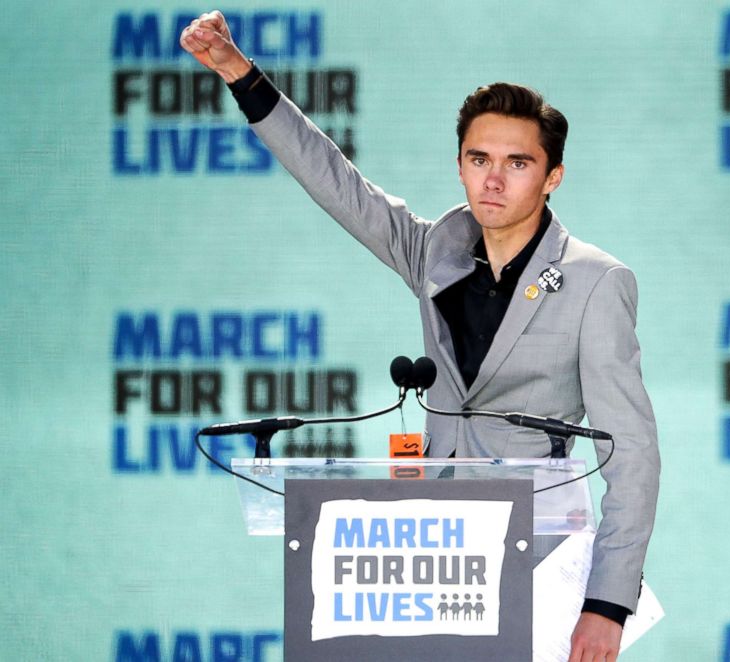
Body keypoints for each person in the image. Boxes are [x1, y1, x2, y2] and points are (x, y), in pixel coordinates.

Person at [181, 11, 660, 661]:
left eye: (518, 163)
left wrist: (607, 603)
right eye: (479, 159)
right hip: (434, 559)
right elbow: (336, 183)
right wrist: (242, 77)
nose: (494, 178)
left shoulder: (597, 282)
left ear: (552, 178)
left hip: (543, 565)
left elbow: (632, 453)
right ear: (461, 165)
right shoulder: (434, 250)